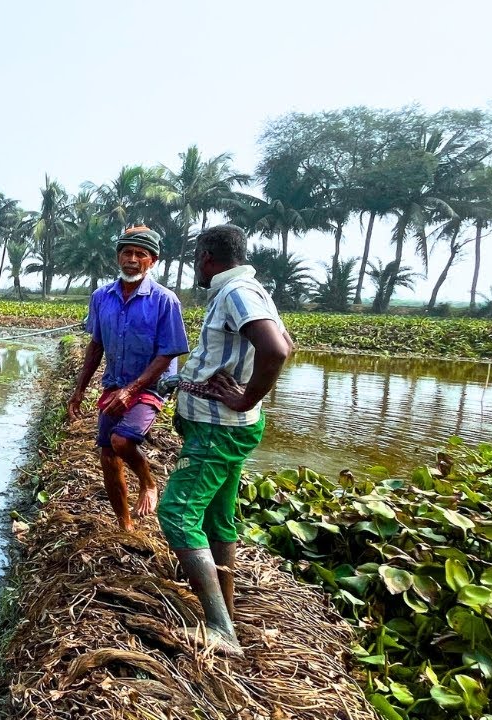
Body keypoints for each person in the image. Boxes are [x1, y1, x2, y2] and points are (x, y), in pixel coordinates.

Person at [156, 224, 294, 657]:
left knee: (177, 513)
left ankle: (220, 630)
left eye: (198, 258)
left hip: (219, 430)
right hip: (221, 425)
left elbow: (277, 349)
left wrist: (247, 395)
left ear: (207, 257)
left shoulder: (237, 292)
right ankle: (226, 611)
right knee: (218, 516)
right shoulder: (247, 289)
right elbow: (284, 339)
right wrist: (182, 379)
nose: (197, 266)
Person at [68, 225, 189, 533]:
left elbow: (168, 353)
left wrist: (133, 389)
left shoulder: (165, 300)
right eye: (127, 252)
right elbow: (96, 345)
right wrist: (79, 389)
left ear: (153, 260)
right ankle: (125, 524)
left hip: (150, 384)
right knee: (107, 454)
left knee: (122, 440)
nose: (132, 259)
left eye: (140, 254)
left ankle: (148, 482)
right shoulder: (101, 297)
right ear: (118, 256)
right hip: (115, 381)